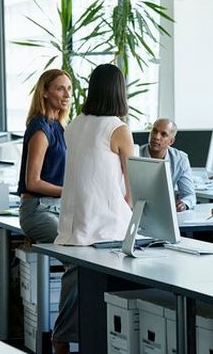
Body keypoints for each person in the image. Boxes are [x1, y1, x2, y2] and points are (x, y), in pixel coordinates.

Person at [52, 64, 134, 354]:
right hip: (105, 228)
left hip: (75, 225)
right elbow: (132, 186)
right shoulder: (117, 128)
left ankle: (63, 341)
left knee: (74, 289)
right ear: (119, 91)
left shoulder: (75, 124)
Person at [17, 68, 71, 245]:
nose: (67, 94)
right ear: (45, 93)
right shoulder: (41, 128)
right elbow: (32, 182)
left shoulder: (58, 126)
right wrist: (70, 191)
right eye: (60, 88)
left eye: (69, 89)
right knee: (71, 248)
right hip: (38, 210)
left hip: (58, 208)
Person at [139, 118, 196, 211]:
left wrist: (184, 204)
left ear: (171, 141)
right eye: (154, 131)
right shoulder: (135, 154)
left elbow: (189, 195)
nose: (156, 137)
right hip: (138, 209)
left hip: (165, 211)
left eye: (163, 134)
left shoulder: (180, 159)